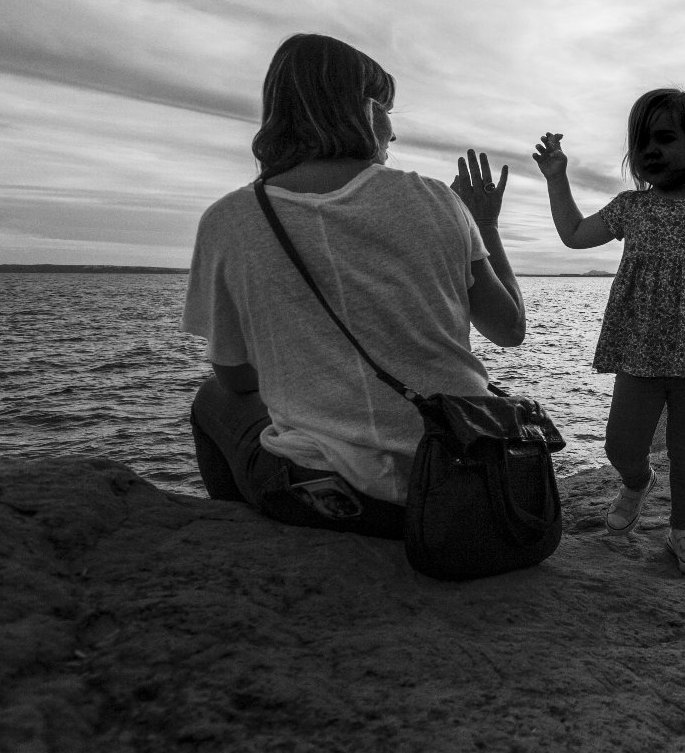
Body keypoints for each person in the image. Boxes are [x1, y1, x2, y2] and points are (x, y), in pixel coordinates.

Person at [183, 34, 525, 538]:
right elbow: (509, 329)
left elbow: (235, 379)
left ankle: (243, 541)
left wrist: (310, 376)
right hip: (455, 481)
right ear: (361, 110)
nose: (393, 131)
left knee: (212, 398)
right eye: (385, 109)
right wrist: (485, 224)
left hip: (326, 497)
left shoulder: (229, 220)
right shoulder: (436, 200)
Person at [532, 88, 685, 577]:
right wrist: (557, 179)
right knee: (620, 445)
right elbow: (574, 235)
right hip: (639, 345)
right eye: (641, 142)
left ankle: (684, 529)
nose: (650, 150)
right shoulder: (630, 208)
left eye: (664, 138)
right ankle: (637, 483)